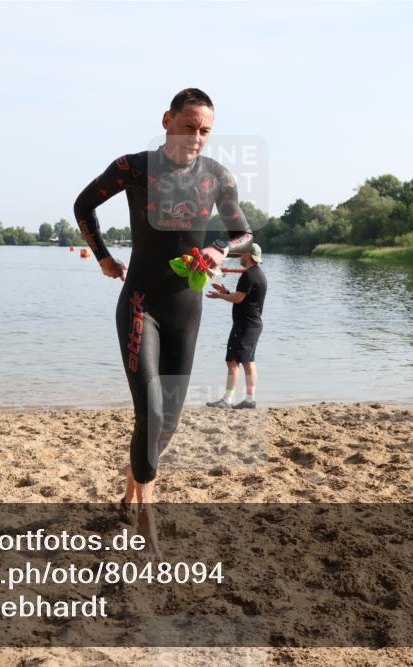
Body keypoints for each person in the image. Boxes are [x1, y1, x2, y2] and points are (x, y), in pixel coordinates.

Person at [74, 88, 253, 514]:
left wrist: (221, 249)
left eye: (205, 131)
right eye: (189, 126)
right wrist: (103, 257)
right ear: (167, 121)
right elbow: (84, 205)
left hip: (186, 311)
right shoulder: (134, 168)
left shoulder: (218, 176)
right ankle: (145, 516)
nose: (196, 137)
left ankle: (133, 483)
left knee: (168, 422)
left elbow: (244, 234)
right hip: (140, 304)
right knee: (151, 412)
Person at [205, 243, 267, 409]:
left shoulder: (248, 275)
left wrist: (220, 296)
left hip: (244, 325)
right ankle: (250, 399)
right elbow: (244, 297)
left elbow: (238, 299)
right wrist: (226, 292)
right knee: (248, 361)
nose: (240, 256)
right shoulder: (259, 274)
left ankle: (227, 400)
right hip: (253, 324)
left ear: (248, 254)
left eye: (242, 253)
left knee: (232, 361)